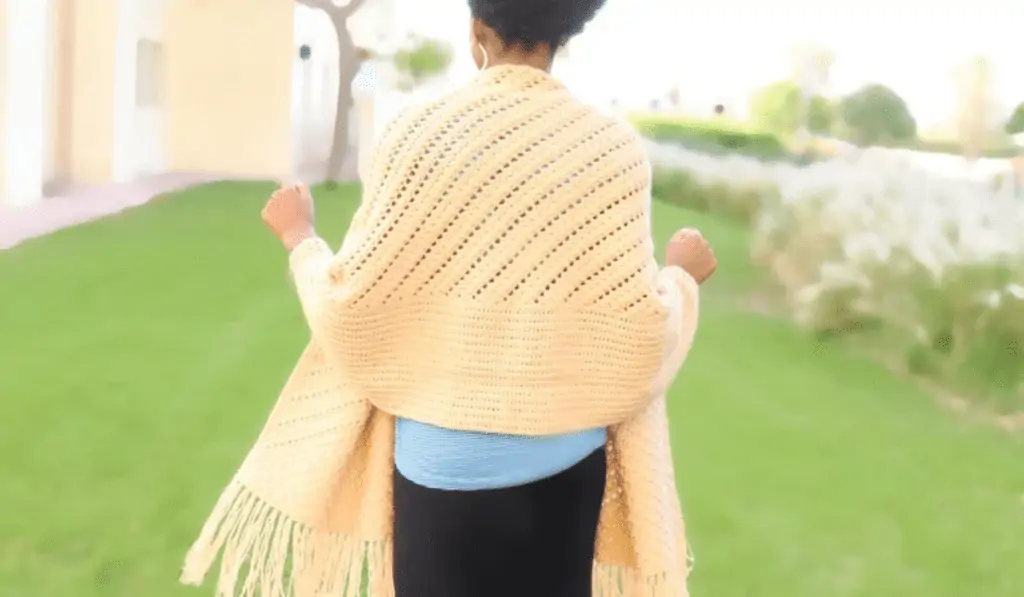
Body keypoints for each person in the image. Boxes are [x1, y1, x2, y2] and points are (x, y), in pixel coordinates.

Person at [180, 1, 716, 596]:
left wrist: (299, 236)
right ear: (565, 35)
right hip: (569, 470)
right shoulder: (612, 150)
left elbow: (350, 308)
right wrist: (681, 276)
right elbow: (640, 335)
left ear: (477, 34)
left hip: (443, 471)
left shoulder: (416, 135)